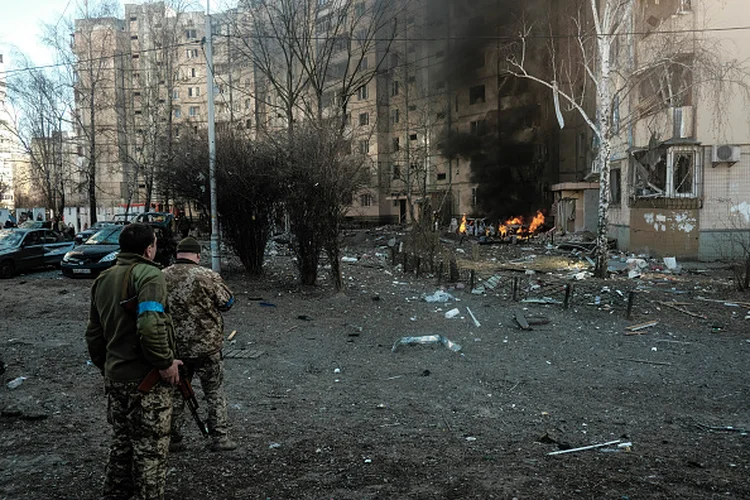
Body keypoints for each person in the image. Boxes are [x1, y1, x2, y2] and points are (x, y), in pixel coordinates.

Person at [85, 223, 181, 500]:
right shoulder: (150, 275)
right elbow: (150, 324)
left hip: (116, 377)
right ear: (149, 248)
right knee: (150, 451)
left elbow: (93, 333)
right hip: (146, 380)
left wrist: (107, 366)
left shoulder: (103, 279)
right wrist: (165, 362)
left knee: (122, 444)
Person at [163, 237, 237, 452]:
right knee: (214, 392)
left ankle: (174, 438)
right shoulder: (208, 276)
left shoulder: (160, 276)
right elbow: (227, 303)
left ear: (178, 253)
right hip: (207, 346)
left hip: (175, 348)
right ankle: (220, 438)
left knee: (177, 393)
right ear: (197, 255)